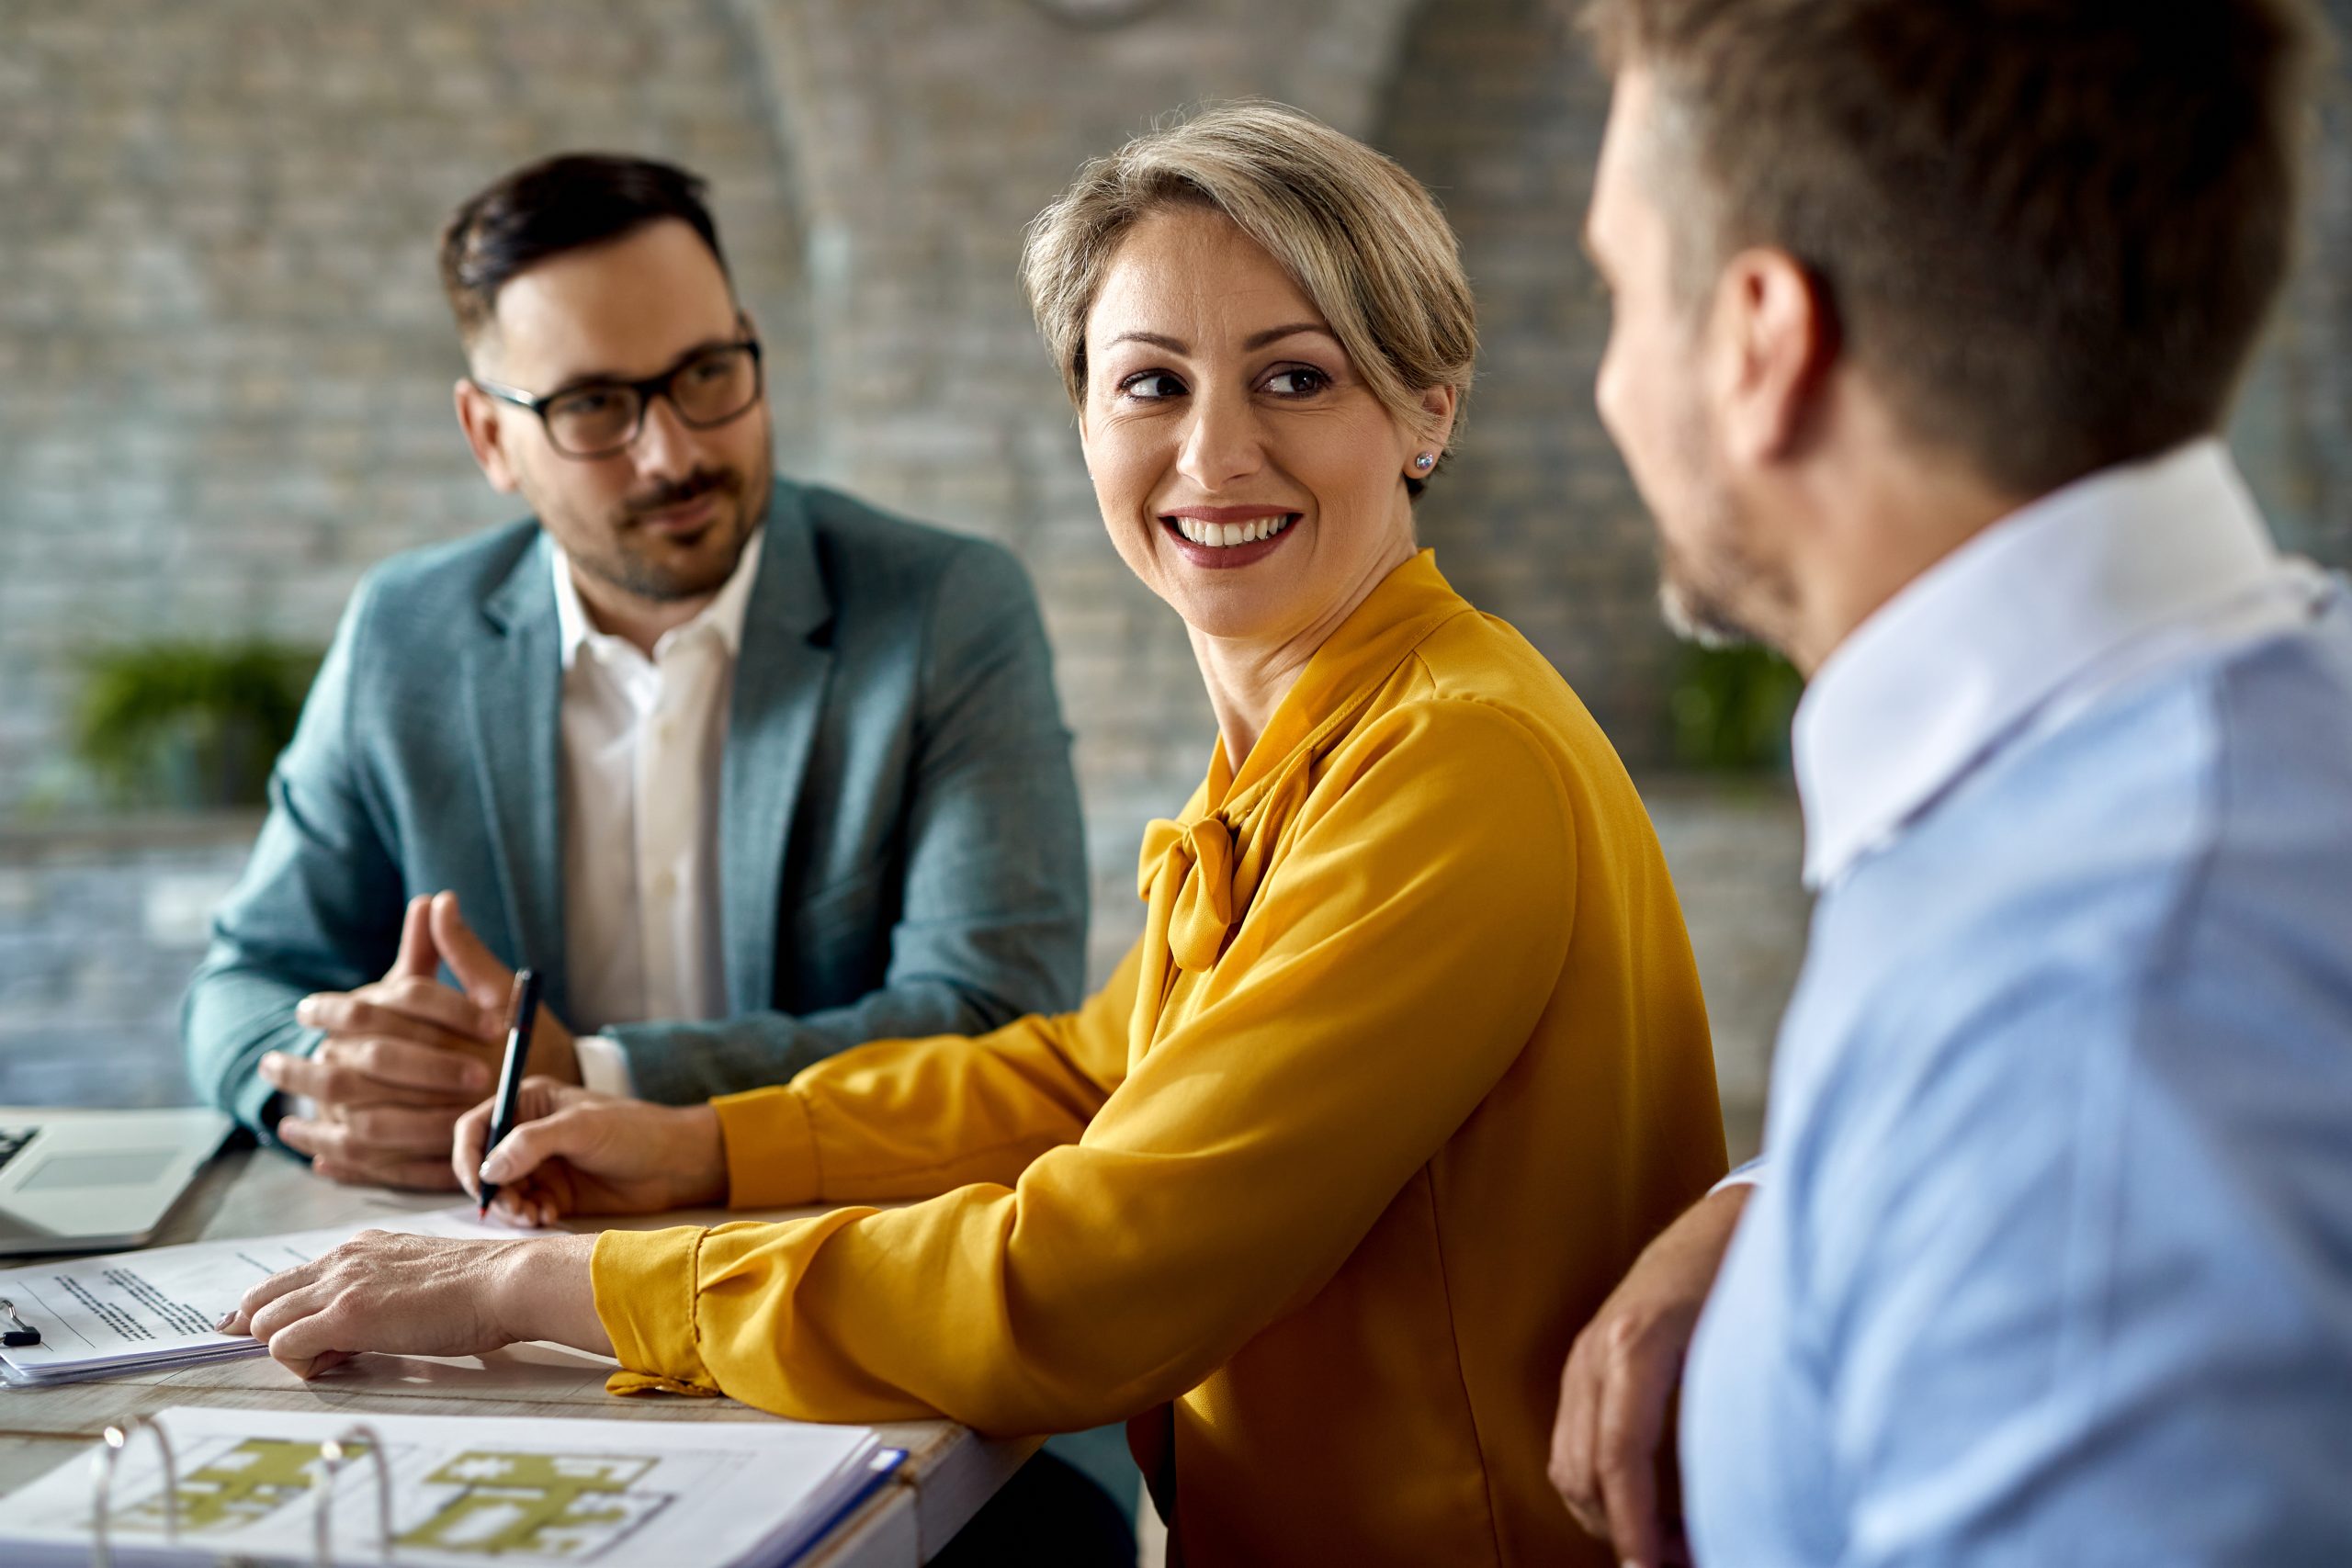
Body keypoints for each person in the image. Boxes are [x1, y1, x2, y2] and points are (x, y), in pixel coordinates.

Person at [221, 104, 1728, 1566]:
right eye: (1151, 384)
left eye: (1295, 378)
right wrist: (695, 1142)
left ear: (1425, 408)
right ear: (1082, 413)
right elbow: (1085, 1073)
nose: (1212, 458)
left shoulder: (1451, 756)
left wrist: (549, 1290)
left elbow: (1088, 1280)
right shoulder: (1320, 732)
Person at [1549, 1, 2352, 1563]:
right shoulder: (2223, 730)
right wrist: (1787, 1210)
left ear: (1761, 345)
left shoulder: (2083, 1036)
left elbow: (2091, 1125)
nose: (1604, 387)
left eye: (1619, 294)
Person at [180, 152, 1090, 1188]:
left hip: (814, 1253)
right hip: (487, 1261)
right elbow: (240, 985)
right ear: (490, 437)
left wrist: (596, 1077)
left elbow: (997, 1016)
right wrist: (359, 1082)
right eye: (596, 406)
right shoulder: (406, 633)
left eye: (707, 374)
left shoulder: (943, 609)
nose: (671, 455)